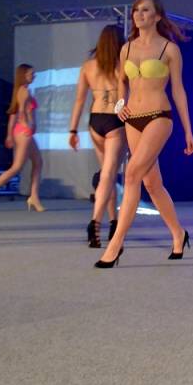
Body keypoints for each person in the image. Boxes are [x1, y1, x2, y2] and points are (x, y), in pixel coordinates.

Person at [94, 0, 193, 268]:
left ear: (157, 16)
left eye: (145, 10)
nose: (139, 14)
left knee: (131, 175)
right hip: (132, 120)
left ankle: (115, 244)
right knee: (152, 183)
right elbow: (121, 82)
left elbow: (179, 90)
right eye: (136, 10)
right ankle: (178, 233)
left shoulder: (169, 49)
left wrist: (188, 130)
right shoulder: (126, 48)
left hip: (159, 117)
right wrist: (120, 104)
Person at [68, 25, 126, 248]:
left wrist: (73, 130)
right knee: (109, 175)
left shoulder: (88, 66)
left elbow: (79, 100)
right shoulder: (123, 64)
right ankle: (95, 222)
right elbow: (128, 96)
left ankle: (113, 222)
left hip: (95, 122)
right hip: (115, 121)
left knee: (106, 175)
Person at [0, 64, 45, 211]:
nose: (33, 76)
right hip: (25, 132)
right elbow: (22, 112)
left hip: (22, 132)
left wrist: (10, 134)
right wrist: (29, 124)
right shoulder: (24, 91)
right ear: (24, 75)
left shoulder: (19, 91)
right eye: (31, 73)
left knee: (38, 162)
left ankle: (34, 196)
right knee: (16, 167)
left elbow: (13, 114)